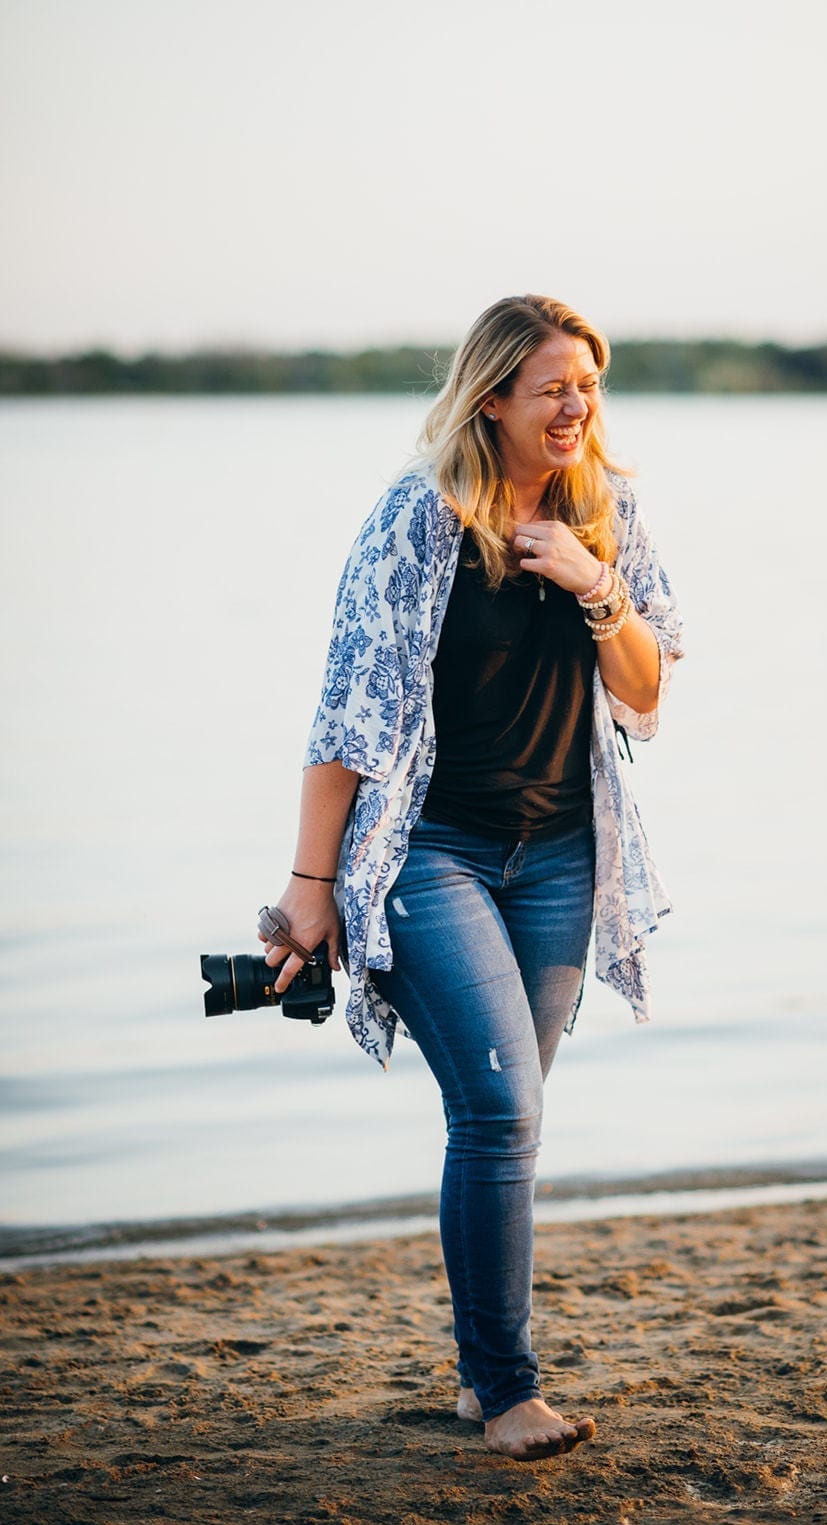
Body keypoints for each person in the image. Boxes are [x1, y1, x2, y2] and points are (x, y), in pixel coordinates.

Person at [261, 294, 683, 1462]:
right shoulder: (419, 516)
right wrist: (309, 885)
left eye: (588, 385)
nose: (576, 406)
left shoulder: (607, 508)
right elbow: (349, 713)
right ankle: (506, 1392)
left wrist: (594, 579)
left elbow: (647, 693)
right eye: (553, 386)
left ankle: (476, 1376)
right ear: (492, 394)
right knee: (502, 1111)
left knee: (502, 1120)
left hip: (557, 857)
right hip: (429, 855)